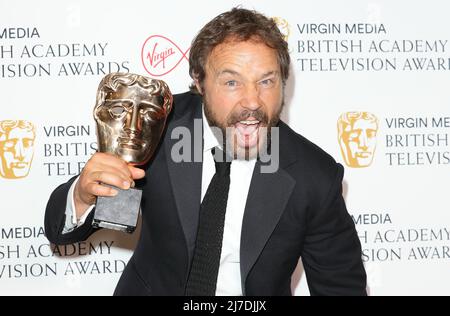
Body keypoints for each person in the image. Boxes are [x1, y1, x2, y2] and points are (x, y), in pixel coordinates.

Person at [45, 7, 367, 296]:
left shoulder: (313, 176)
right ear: (198, 82)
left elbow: (342, 287)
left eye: (266, 81)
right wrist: (84, 197)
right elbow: (65, 231)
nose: (252, 102)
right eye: (232, 83)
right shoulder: (155, 127)